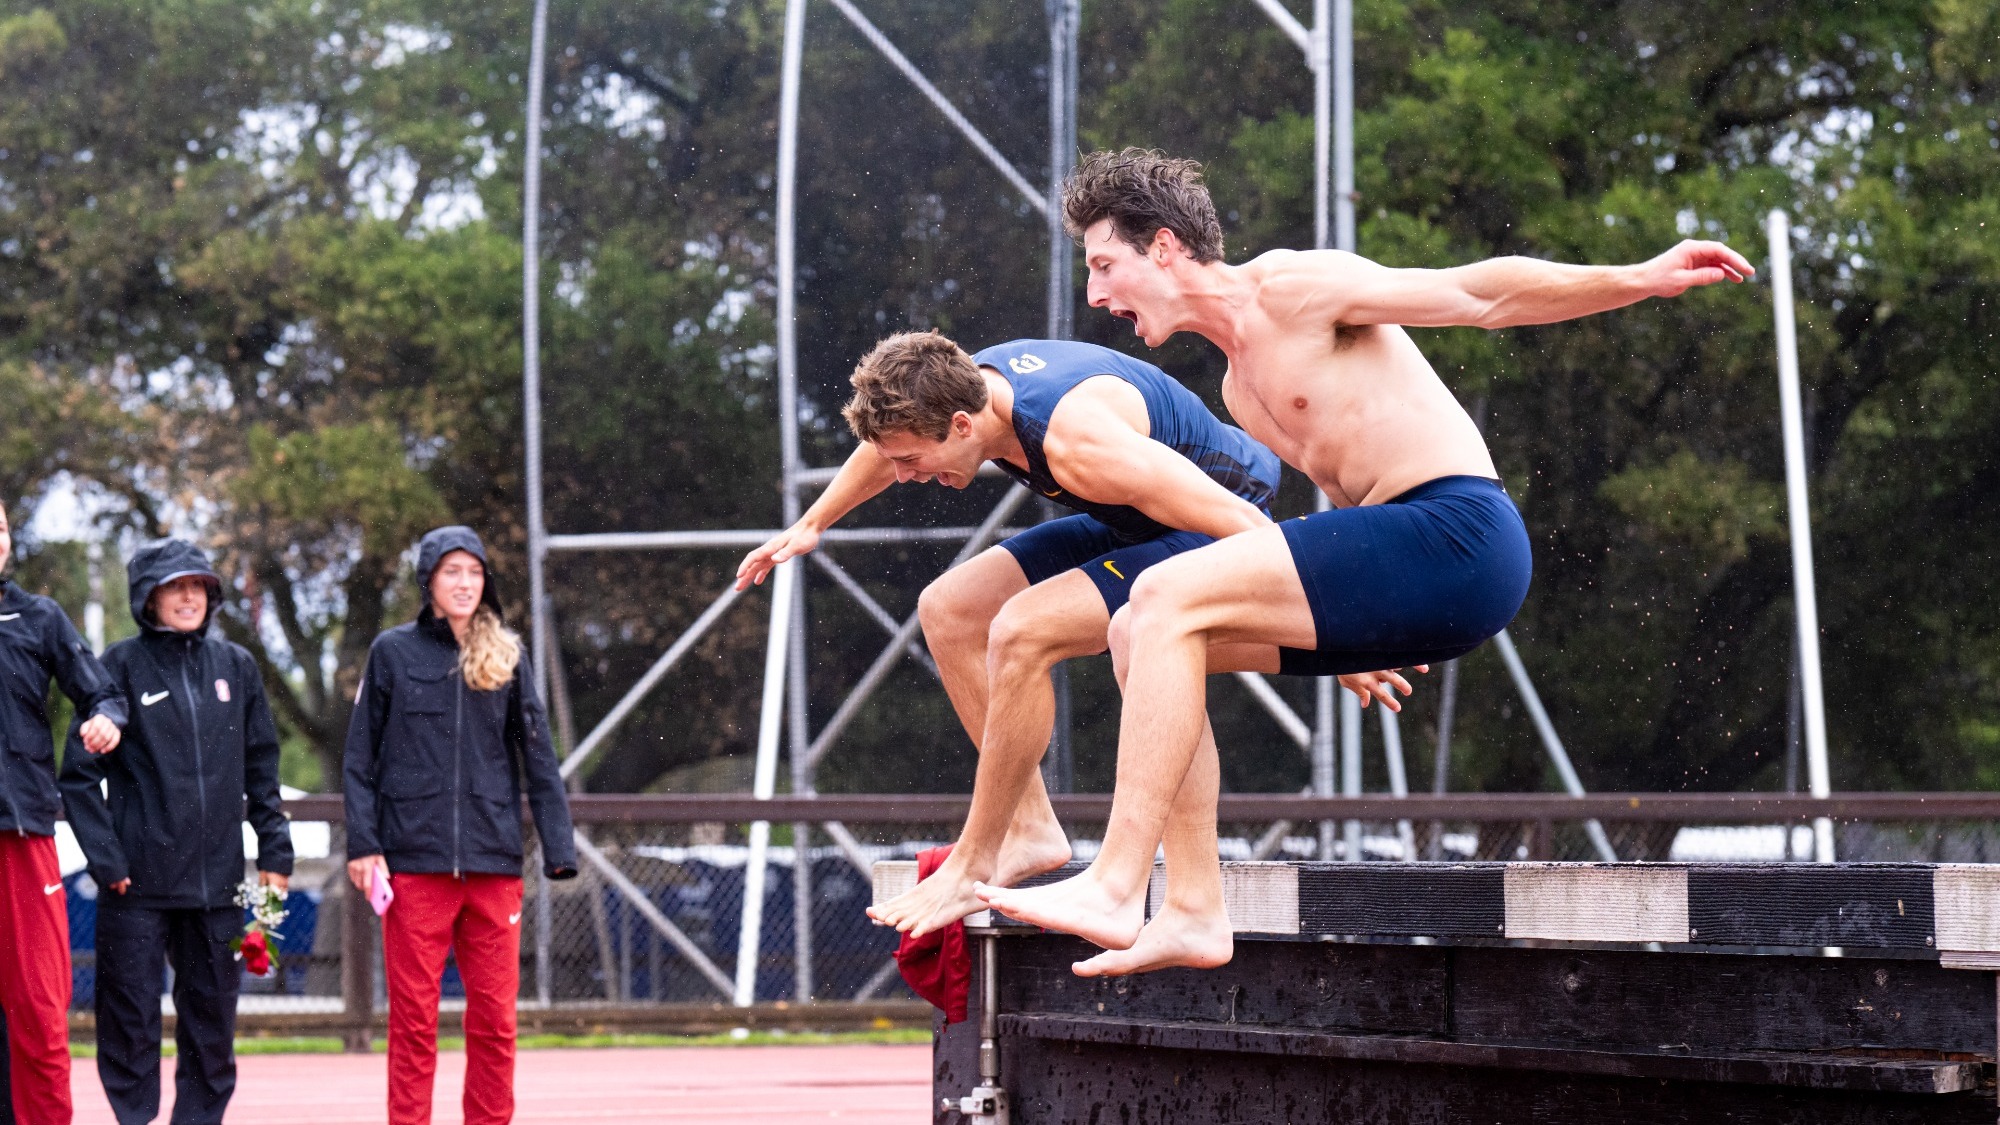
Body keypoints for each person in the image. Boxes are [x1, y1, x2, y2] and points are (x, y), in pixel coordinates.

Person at [975, 148, 1756, 973]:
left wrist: (1638, 276)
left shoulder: (1292, 289)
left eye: (1105, 265)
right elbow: (1343, 514)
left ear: (1164, 247)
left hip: (1461, 532)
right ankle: (1196, 909)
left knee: (1165, 596)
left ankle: (1114, 882)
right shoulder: (1241, 389)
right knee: (1140, 627)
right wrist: (1341, 631)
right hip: (1402, 565)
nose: (1096, 295)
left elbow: (1478, 293)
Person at [738, 332, 1415, 945]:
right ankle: (1032, 828)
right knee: (948, 609)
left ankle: (977, 853)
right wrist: (814, 523)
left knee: (1024, 630)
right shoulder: (965, 384)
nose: (909, 476)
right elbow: (883, 446)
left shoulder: (1077, 442)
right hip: (1132, 519)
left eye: (915, 461)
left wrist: (1334, 628)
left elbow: (1235, 517)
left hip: (1206, 518)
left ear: (963, 425)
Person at [342, 526, 577, 1125]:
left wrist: (558, 847)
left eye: (474, 573)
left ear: (486, 582)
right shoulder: (392, 652)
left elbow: (539, 758)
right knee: (414, 1021)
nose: (464, 583)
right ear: (429, 582)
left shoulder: (508, 653)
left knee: (496, 1021)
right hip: (414, 866)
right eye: (452, 572)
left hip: (494, 863)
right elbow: (359, 759)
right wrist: (365, 844)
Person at [59, 540, 292, 1125]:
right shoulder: (117, 666)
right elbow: (78, 776)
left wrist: (275, 854)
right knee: (129, 1024)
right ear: (149, 598)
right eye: (174, 586)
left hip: (219, 887)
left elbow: (263, 768)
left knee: (212, 1029)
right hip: (134, 887)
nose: (189, 597)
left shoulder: (236, 667)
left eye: (198, 586)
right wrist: (107, 862)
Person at [0, 498, 125, 1125]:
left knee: (40, 1007)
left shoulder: (38, 616)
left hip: (22, 834)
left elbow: (101, 690)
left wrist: (105, 718)